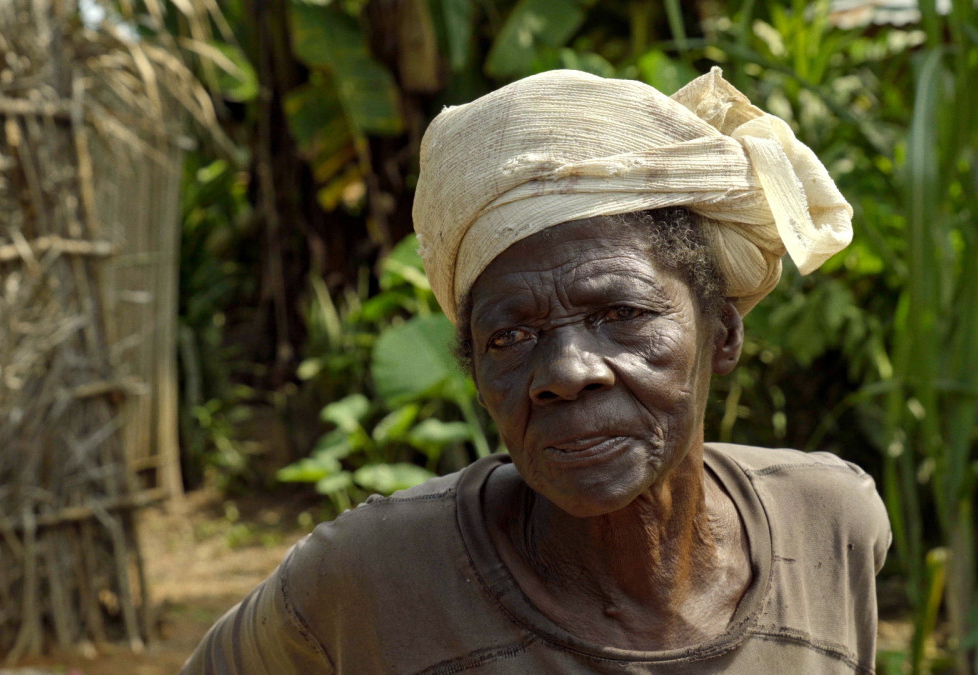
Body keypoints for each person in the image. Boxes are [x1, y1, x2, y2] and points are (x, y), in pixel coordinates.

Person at [183, 67, 891, 674]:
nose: (566, 371)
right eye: (512, 334)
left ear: (724, 331)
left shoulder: (829, 524)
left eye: (620, 313)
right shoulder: (377, 575)